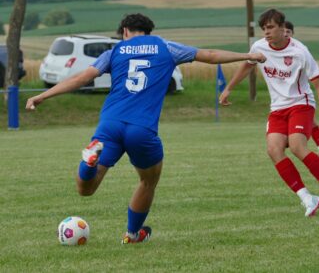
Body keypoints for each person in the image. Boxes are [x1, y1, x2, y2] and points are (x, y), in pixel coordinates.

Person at [26, 13, 265, 244]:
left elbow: (81, 78)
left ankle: (90, 160)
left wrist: (43, 96)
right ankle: (132, 234)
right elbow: (210, 55)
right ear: (149, 31)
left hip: (110, 124)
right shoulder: (166, 47)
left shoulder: (115, 51)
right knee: (148, 181)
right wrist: (247, 54)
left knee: (85, 189)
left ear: (126, 32)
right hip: (141, 128)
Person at [219, 9, 319, 217]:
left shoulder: (300, 52)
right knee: (273, 150)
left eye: (271, 27)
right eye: (264, 28)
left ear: (283, 28)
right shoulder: (259, 47)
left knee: (297, 146)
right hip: (278, 108)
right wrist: (228, 88)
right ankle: (308, 198)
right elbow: (247, 65)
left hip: (301, 104)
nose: (267, 32)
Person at [283, 21, 319, 160]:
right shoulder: (271, 47)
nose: (285, 33)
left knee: (311, 123)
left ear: (293, 34)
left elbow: (314, 76)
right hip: (282, 98)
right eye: (284, 31)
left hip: (300, 97)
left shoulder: (300, 49)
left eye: (288, 31)